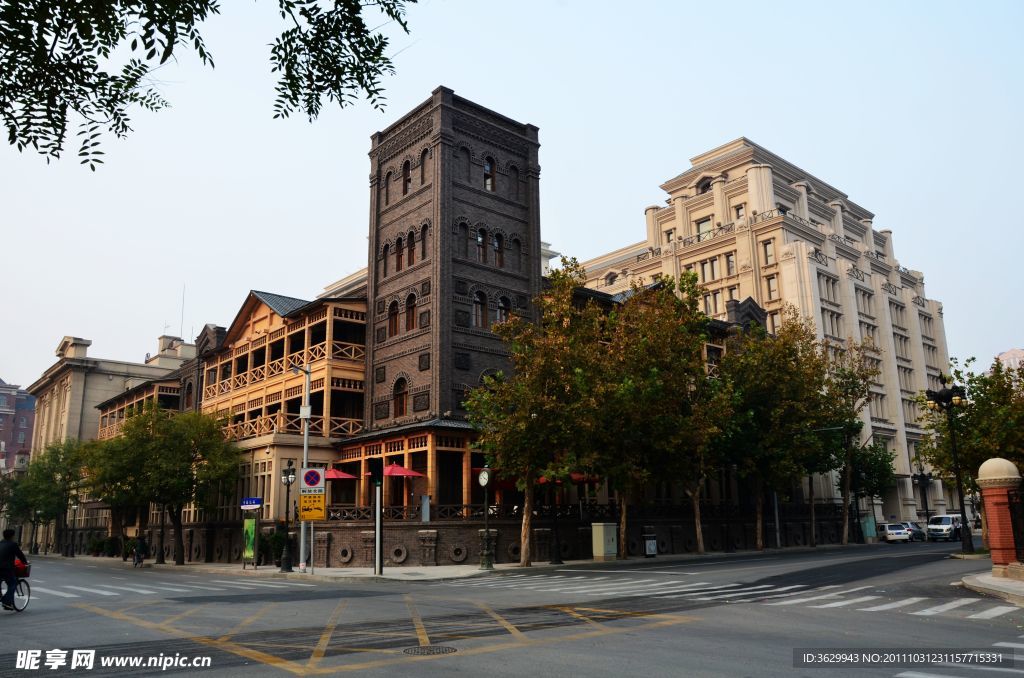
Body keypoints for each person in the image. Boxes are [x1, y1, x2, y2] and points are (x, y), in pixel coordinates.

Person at [0, 528, 29, 611]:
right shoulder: (13, 544)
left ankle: (7, 603)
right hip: (6, 568)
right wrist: (25, 562)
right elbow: (20, 555)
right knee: (13, 584)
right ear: (12, 536)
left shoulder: (0, 543)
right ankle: (5, 601)